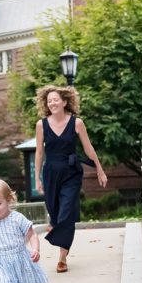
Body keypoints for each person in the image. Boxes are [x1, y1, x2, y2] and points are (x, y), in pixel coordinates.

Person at [33, 85, 107, 273]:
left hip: (71, 173)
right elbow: (39, 153)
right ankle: (59, 235)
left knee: (66, 213)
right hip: (51, 173)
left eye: (55, 99)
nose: (52, 103)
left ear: (65, 102)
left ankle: (62, 258)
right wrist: (37, 179)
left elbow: (89, 149)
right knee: (57, 214)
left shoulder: (77, 123)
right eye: (49, 101)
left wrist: (99, 169)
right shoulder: (41, 125)